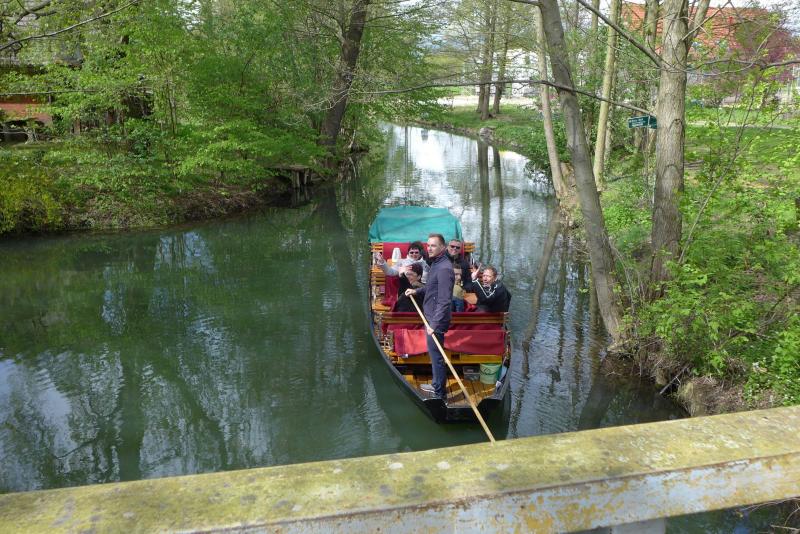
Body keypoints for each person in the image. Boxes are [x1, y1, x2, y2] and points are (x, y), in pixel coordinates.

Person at [404, 233, 454, 401]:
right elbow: (432, 287)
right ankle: (436, 384)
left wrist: (434, 324)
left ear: (442, 247)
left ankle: (439, 392)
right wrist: (416, 291)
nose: (429, 248)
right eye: (428, 245)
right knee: (435, 355)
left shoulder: (444, 268)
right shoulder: (436, 263)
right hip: (432, 317)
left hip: (436, 319)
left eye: (433, 245)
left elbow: (445, 300)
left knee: (436, 356)